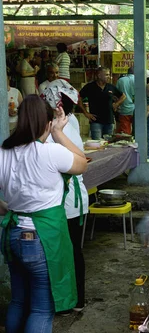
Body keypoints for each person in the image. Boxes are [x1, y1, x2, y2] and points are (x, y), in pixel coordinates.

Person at [0, 95, 87, 333]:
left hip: (14, 236)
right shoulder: (51, 153)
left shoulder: (4, 152)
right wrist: (60, 133)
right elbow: (82, 164)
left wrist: (6, 207)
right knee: (42, 308)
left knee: (19, 301)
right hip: (41, 240)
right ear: (46, 122)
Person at [41, 80, 89, 312]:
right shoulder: (71, 123)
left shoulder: (53, 128)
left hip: (66, 197)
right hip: (67, 197)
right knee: (70, 250)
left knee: (66, 251)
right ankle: (74, 300)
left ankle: (73, 300)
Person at [78, 67, 125, 140]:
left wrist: (117, 104)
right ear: (99, 76)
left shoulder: (111, 87)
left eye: (109, 75)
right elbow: (78, 98)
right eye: (106, 75)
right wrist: (86, 113)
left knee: (108, 145)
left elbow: (123, 96)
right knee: (97, 144)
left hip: (109, 121)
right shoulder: (90, 87)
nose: (109, 77)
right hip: (96, 121)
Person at [115, 65, 135, 135]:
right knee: (137, 133)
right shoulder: (139, 80)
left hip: (124, 110)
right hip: (136, 111)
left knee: (125, 135)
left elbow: (116, 95)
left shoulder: (120, 80)